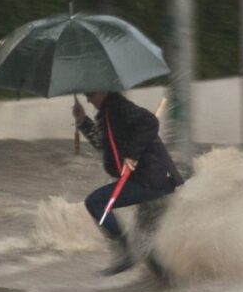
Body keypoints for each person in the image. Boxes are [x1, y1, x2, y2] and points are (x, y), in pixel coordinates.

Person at [72, 91, 184, 275]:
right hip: (158, 182)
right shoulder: (109, 114)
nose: (88, 100)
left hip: (151, 181)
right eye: (86, 95)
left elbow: (150, 122)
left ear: (104, 91)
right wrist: (83, 121)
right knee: (144, 246)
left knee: (95, 202)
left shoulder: (119, 108)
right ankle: (174, 286)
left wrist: (132, 155)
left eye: (91, 94)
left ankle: (126, 251)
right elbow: (105, 145)